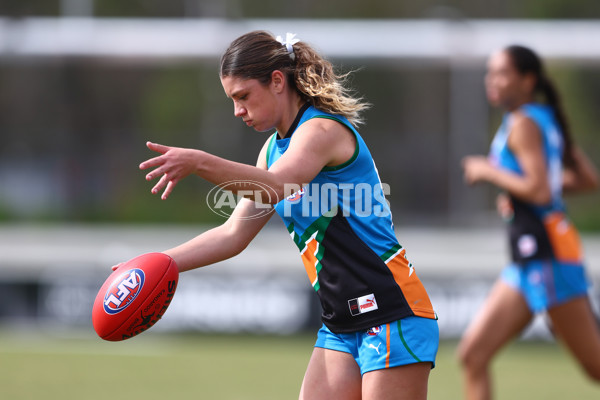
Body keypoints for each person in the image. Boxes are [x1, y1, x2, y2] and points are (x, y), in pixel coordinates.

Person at [133, 31, 439, 399]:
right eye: (232, 100)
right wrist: (156, 264)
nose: (237, 111)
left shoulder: (321, 130)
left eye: (243, 97)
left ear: (277, 81)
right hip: (340, 324)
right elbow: (233, 235)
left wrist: (199, 162)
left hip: (391, 311)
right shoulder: (271, 151)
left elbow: (278, 187)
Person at [459, 44, 600, 400]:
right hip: (530, 260)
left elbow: (538, 191)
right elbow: (584, 179)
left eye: (502, 73)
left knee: (596, 368)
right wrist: (518, 184)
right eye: (490, 73)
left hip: (549, 255)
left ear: (527, 80)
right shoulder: (539, 117)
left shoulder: (523, 125)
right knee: (473, 355)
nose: (492, 81)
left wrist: (489, 172)